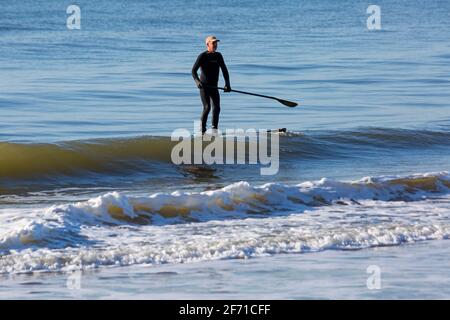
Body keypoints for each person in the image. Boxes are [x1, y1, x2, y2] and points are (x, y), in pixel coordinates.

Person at [192, 35, 231, 134]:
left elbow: (224, 70)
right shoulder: (203, 56)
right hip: (204, 86)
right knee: (207, 107)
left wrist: (227, 84)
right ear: (207, 44)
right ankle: (202, 130)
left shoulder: (218, 56)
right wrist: (197, 82)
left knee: (217, 107)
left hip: (214, 86)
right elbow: (193, 71)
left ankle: (214, 129)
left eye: (216, 43)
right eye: (213, 43)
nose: (215, 45)